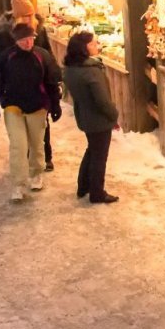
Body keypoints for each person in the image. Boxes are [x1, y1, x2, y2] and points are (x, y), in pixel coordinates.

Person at [0, 23, 62, 203]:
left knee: (37, 143)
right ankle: (18, 184)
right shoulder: (7, 57)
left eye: (30, 39)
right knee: (18, 146)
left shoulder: (42, 55)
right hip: (14, 106)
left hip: (37, 105)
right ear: (16, 41)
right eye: (23, 40)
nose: (28, 43)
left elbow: (52, 82)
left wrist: (55, 105)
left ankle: (36, 174)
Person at [0, 0, 55, 171]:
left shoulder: (40, 29)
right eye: (27, 16)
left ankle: (46, 157)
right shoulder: (5, 34)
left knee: (42, 124)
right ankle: (25, 158)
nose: (31, 19)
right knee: (20, 125)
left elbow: (47, 54)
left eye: (32, 14)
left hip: (39, 85)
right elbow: (0, 61)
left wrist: (52, 77)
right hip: (16, 87)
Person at [62, 30, 119, 204]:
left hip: (85, 116)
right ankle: (97, 192)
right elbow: (102, 100)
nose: (97, 46)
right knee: (99, 156)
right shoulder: (92, 72)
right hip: (99, 119)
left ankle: (83, 185)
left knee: (92, 150)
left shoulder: (71, 69)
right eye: (93, 44)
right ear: (84, 48)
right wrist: (113, 115)